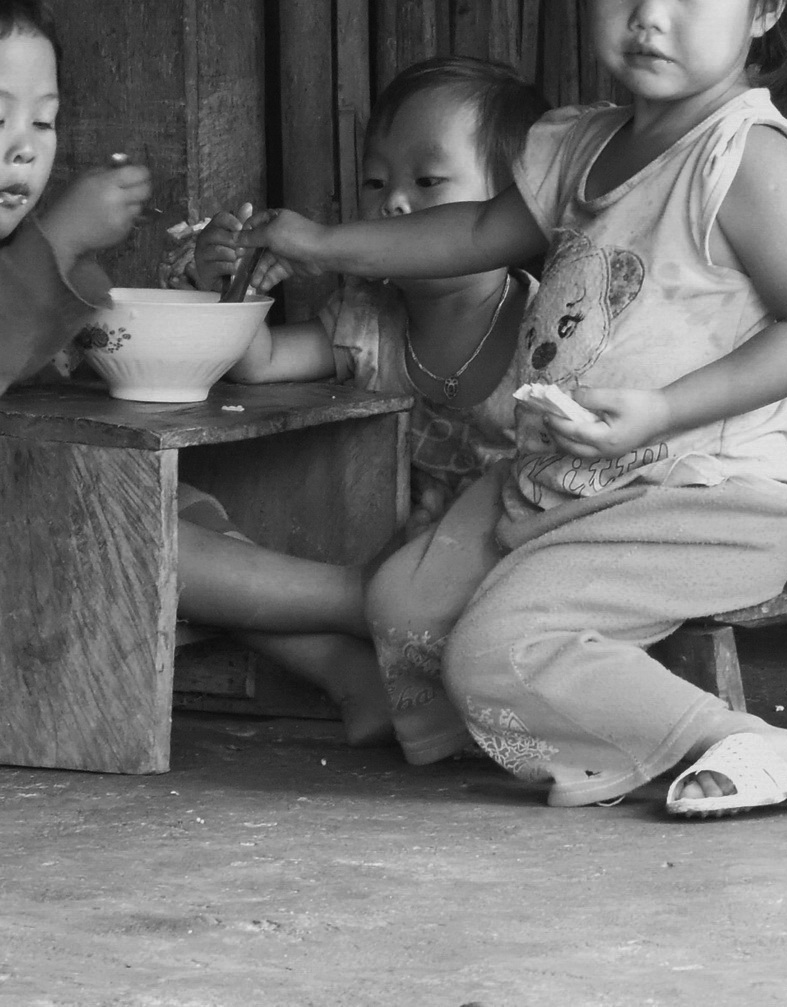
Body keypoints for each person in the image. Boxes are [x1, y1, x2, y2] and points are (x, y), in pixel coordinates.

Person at [239, 0, 787, 816]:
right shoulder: (580, 145)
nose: (647, 16)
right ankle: (515, 728)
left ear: (767, 7)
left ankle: (736, 739)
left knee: (496, 650)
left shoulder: (744, 158)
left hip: (694, 501)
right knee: (402, 600)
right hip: (560, 481)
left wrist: (662, 410)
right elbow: (474, 231)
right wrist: (323, 242)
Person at [0, 0, 390, 739]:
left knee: (165, 509)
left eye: (43, 122)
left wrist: (198, 284)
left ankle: (348, 672)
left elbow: (82, 343)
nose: (25, 150)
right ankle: (368, 599)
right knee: (118, 530)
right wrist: (58, 238)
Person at [184, 56, 546, 763]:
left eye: (428, 181)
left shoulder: (549, 330)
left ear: (511, 210)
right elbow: (258, 361)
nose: (394, 204)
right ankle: (358, 660)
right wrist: (228, 281)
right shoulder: (367, 317)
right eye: (376, 182)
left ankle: (366, 639)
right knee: (165, 540)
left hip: (487, 601)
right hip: (375, 573)